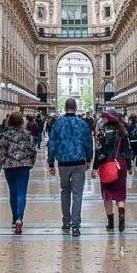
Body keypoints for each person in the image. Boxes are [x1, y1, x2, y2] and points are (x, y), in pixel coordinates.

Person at [48, 97, 94, 237]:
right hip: (79, 162)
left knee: (65, 192)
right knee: (77, 194)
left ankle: (66, 223)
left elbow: (52, 143)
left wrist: (51, 163)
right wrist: (89, 158)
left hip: (63, 164)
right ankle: (76, 225)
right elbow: (88, 142)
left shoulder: (58, 124)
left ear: (65, 107)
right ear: (75, 107)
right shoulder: (82, 124)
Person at [0, 111, 37, 234]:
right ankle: (19, 218)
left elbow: (1, 154)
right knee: (21, 193)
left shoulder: (5, 135)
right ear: (22, 122)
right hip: (23, 166)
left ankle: (14, 219)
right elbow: (33, 151)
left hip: (9, 167)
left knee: (13, 193)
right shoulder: (27, 134)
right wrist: (31, 162)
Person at [92, 108, 132, 231]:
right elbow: (127, 150)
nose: (102, 119)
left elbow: (99, 151)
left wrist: (95, 168)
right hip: (121, 164)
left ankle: (110, 222)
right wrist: (129, 167)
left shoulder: (102, 132)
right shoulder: (122, 131)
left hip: (107, 165)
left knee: (107, 194)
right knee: (120, 194)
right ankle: (121, 217)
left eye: (104, 117)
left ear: (109, 118)